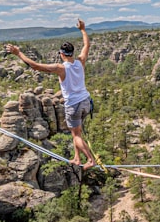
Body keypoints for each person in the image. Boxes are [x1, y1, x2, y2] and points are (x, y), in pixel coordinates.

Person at [7, 19, 95, 168]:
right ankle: (77, 158)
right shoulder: (80, 61)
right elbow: (87, 45)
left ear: (61, 54)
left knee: (76, 135)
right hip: (86, 101)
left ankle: (90, 160)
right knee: (76, 132)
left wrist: (18, 53)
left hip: (73, 104)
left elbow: (34, 66)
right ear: (72, 53)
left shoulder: (61, 68)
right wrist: (83, 29)